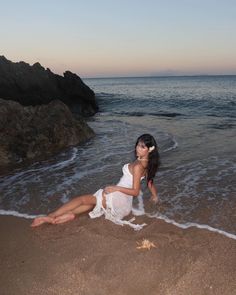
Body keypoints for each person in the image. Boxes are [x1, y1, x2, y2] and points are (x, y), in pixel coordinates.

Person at [31, 134, 160, 228]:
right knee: (92, 203)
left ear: (149, 149)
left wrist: (115, 188)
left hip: (118, 197)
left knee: (82, 199)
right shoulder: (147, 163)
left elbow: (136, 192)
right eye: (138, 144)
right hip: (123, 202)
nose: (138, 148)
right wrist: (155, 196)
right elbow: (150, 182)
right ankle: (69, 215)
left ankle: (51, 216)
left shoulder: (138, 166)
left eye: (142, 147)